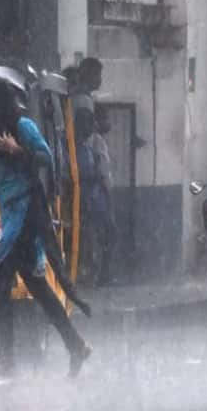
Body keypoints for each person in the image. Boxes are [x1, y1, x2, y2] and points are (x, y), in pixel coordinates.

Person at [0, 76, 92, 378]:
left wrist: (19, 150)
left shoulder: (23, 126)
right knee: (37, 286)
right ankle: (76, 345)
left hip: (28, 210)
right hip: (9, 211)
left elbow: (46, 159)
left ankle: (6, 357)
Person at [75, 108, 114, 286]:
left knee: (97, 237)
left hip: (90, 199)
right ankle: (97, 275)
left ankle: (98, 274)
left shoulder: (83, 144)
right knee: (97, 237)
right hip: (91, 199)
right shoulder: (87, 145)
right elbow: (101, 173)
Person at [89, 105, 116, 286]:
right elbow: (103, 171)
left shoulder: (92, 141)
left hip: (96, 196)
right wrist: (108, 194)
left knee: (102, 236)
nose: (108, 123)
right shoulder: (97, 141)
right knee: (108, 235)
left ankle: (100, 275)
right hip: (99, 196)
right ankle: (102, 276)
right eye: (105, 118)